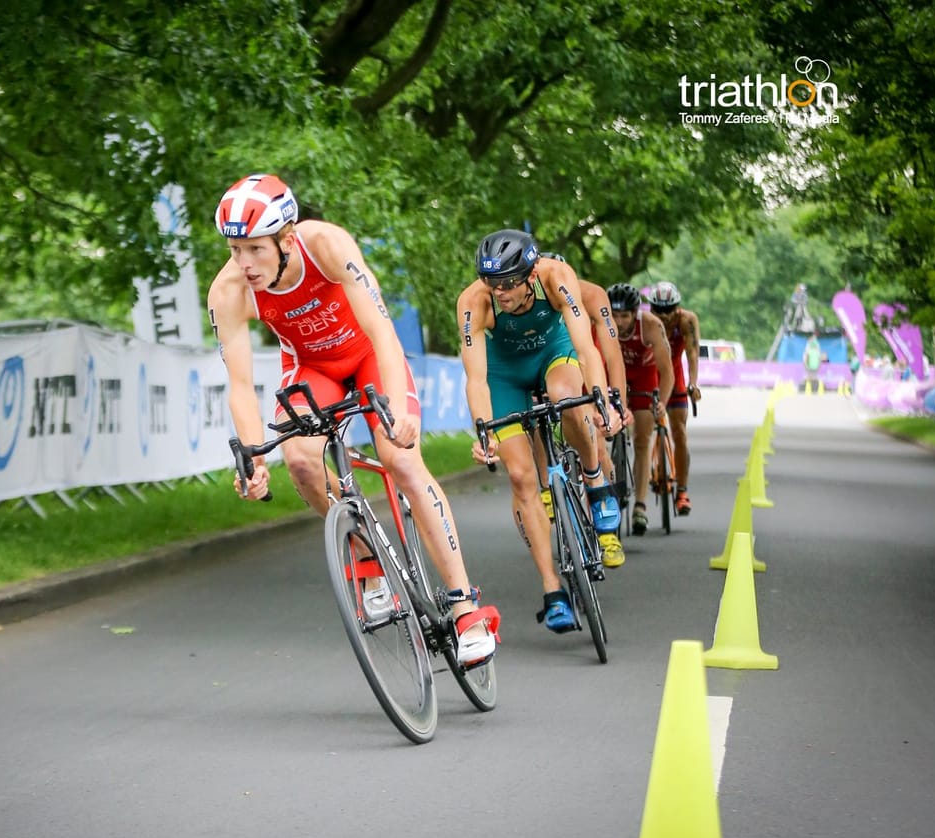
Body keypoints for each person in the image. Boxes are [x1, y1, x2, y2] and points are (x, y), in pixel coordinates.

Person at [207, 173, 499, 666]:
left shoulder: (326, 245)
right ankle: (367, 559)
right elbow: (238, 383)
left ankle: (465, 606)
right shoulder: (229, 290)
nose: (244, 263)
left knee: (400, 460)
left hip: (367, 357)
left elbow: (382, 330)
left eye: (255, 249)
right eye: (235, 250)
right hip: (312, 369)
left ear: (286, 237)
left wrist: (401, 414)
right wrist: (253, 456)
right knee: (297, 457)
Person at [459, 229, 619, 636]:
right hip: (504, 374)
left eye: (509, 283)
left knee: (566, 396)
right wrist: (484, 432)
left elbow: (586, 349)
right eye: (492, 283)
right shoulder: (473, 303)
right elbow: (476, 379)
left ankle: (595, 479)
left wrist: (600, 399)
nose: (501, 292)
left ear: (530, 276)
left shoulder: (556, 277)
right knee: (519, 476)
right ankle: (553, 591)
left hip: (555, 352)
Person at [543, 253, 627, 568]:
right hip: (553, 371)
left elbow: (611, 353)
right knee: (537, 420)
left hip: (586, 371)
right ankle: (549, 492)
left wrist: (616, 404)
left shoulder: (591, 296)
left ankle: (608, 529)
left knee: (598, 446)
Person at [605, 283, 675, 536]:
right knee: (604, 429)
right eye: (614, 315)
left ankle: (641, 506)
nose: (619, 321)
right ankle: (609, 486)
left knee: (643, 440)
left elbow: (667, 373)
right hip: (615, 374)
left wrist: (661, 404)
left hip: (644, 376)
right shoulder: (600, 323)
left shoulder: (651, 326)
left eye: (625, 316)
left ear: (635, 313)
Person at [646, 281, 701, 515]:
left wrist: (694, 383)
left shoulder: (687, 320)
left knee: (679, 432)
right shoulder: (645, 323)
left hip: (675, 377)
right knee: (641, 430)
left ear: (678, 307)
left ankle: (682, 490)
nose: (665, 315)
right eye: (659, 310)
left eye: (670, 309)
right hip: (649, 377)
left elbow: (692, 352)